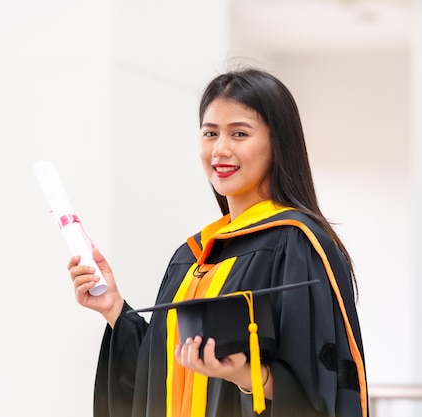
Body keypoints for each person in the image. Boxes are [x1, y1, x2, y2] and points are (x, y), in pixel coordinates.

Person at [68, 67, 368, 417]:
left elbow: (320, 387)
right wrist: (114, 307)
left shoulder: (295, 244)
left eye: (239, 133)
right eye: (210, 133)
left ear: (277, 143)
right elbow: (164, 378)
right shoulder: (193, 255)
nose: (220, 149)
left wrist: (243, 374)